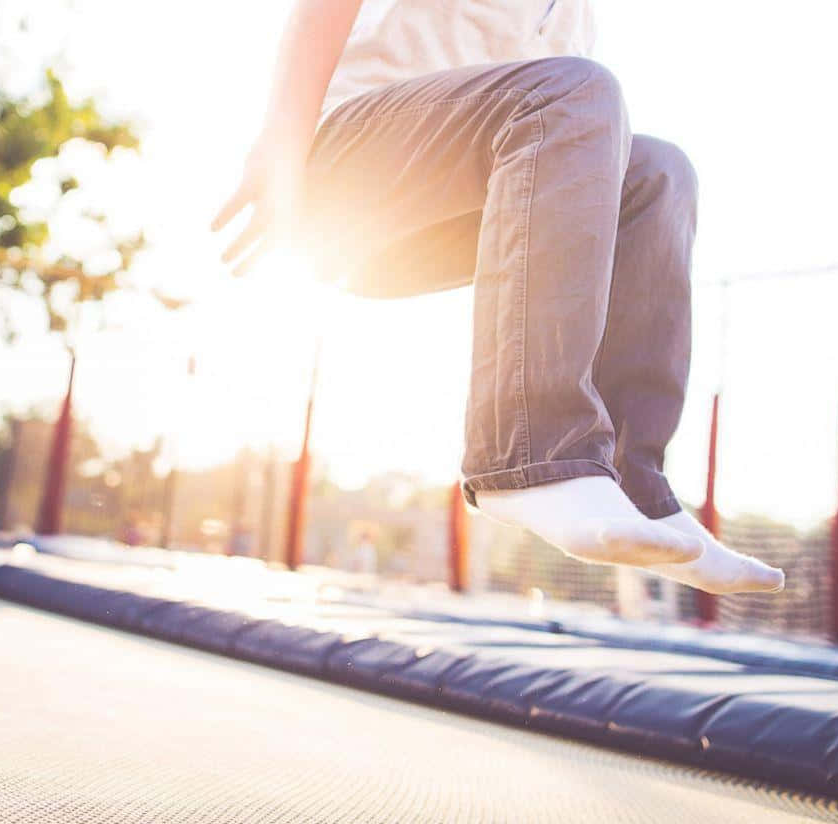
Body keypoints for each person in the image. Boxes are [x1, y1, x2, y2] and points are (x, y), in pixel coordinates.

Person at [212, 0, 782, 594]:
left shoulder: (575, 18)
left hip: (441, 220)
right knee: (577, 92)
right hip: (346, 172)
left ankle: (632, 485)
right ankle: (527, 454)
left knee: (658, 175)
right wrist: (279, 143)